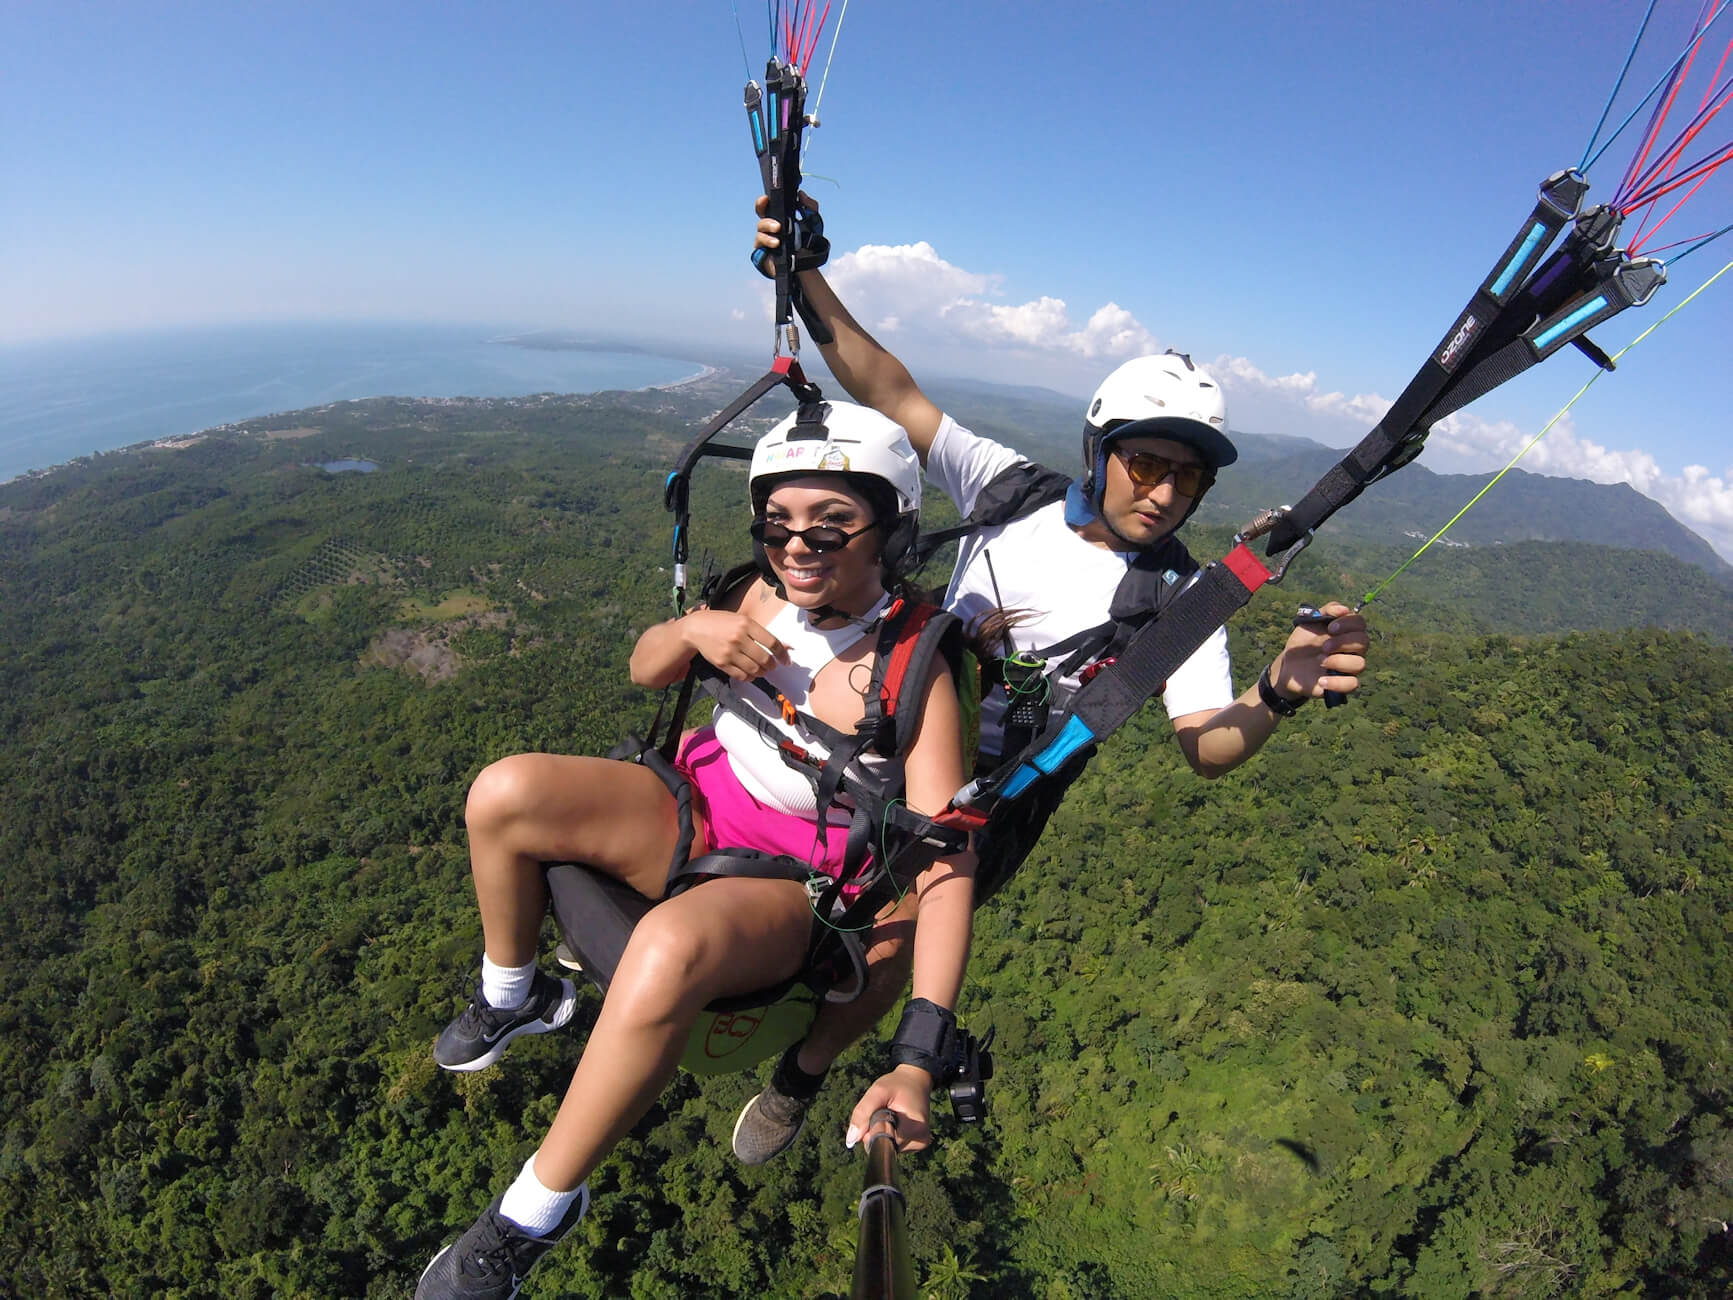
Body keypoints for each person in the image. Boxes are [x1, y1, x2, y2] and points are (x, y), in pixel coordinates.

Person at [727, 196, 1372, 1165]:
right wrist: (806, 273)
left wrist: (1275, 692)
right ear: (1098, 451)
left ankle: (802, 1073)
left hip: (989, 800)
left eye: (1187, 478)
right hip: (884, 732)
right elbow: (889, 388)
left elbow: (1205, 743)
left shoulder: (1178, 600)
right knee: (752, 797)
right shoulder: (1008, 491)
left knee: (891, 946)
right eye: (1144, 463)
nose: (1163, 492)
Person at [416, 403, 977, 1299]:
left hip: (795, 874)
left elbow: (945, 864)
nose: (798, 545)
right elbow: (646, 670)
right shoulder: (752, 593)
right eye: (778, 522)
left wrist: (919, 1048)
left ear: (891, 529)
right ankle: (514, 997)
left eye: (832, 523)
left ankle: (533, 1212)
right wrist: (687, 632)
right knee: (504, 791)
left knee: (667, 946)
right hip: (699, 801)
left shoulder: (915, 669)